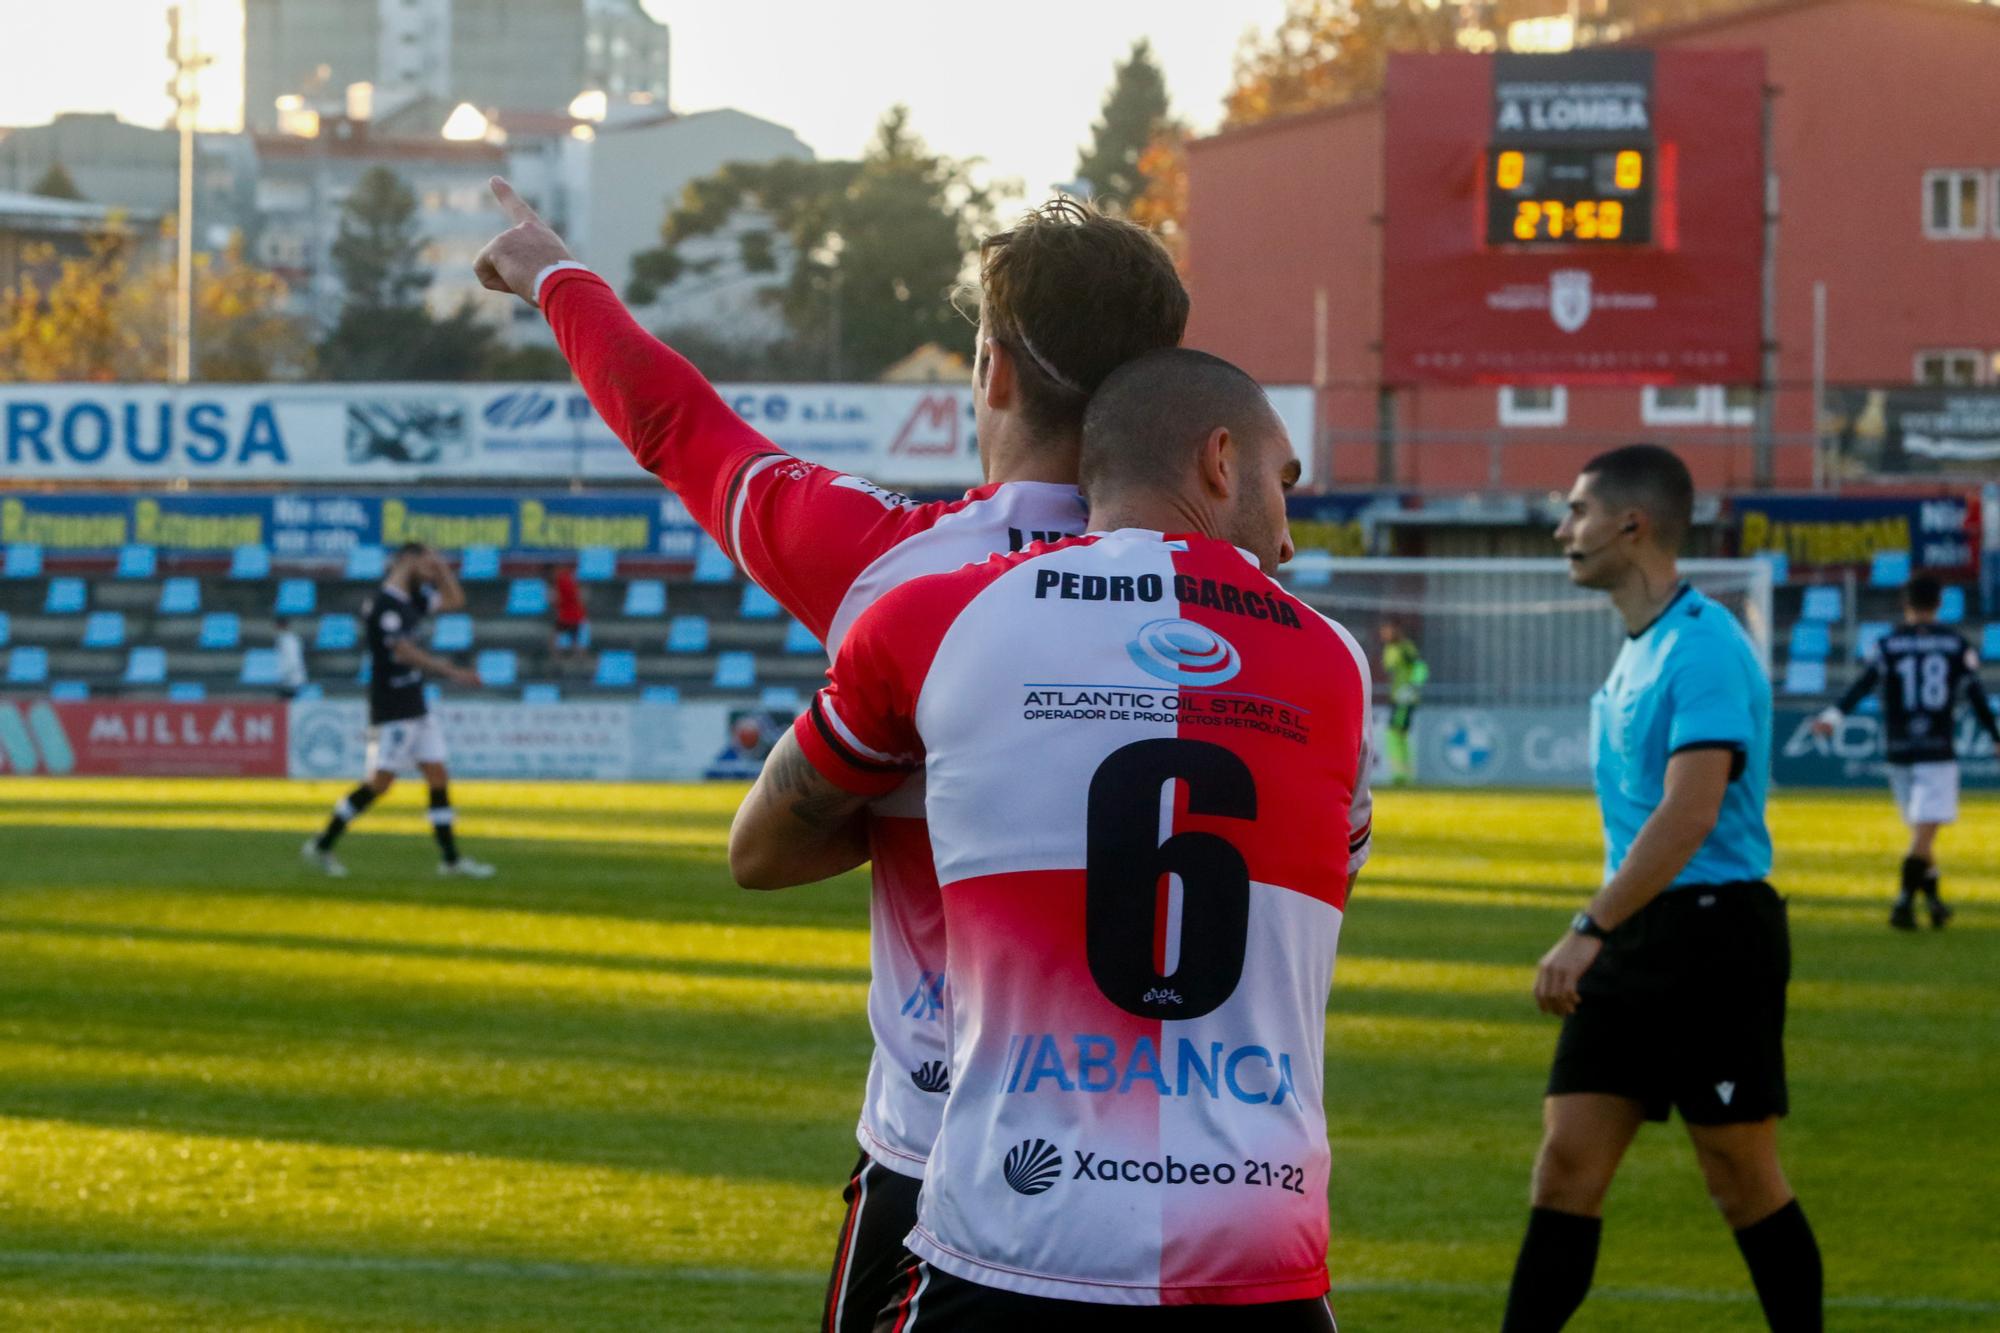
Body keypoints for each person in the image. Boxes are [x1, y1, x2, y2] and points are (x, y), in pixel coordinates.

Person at [473, 177, 1190, 1331]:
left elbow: (677, 428)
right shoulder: (1246, 608)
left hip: (949, 1145)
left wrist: (552, 271)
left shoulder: (893, 569)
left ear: (991, 371)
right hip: (1198, 1160)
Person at [730, 349, 1373, 1329]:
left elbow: (760, 853)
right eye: (1281, 488)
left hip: (1014, 1233)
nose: (1285, 540)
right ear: (1217, 460)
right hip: (1253, 1240)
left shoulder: (935, 618)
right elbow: (1320, 890)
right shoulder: (1334, 664)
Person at [1503, 445, 1820, 1333]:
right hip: (1635, 932)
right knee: (1567, 1164)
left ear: (1631, 524)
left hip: (1715, 936)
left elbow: (1689, 814)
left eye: (1576, 512)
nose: (1564, 531)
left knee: (1739, 1175)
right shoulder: (1636, 652)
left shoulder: (1705, 644)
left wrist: (1586, 927)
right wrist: (1606, 926)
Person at [1811, 574, 1997, 929]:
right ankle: (1903, 903)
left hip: (1899, 750)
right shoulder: (1956, 645)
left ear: (1905, 603)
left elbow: (1863, 684)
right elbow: (1975, 694)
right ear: (1940, 603)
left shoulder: (1887, 644)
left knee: (1920, 835)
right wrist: (1994, 734)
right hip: (1937, 750)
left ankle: (1936, 904)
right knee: (1922, 836)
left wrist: (1833, 716)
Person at [302, 542, 495, 880]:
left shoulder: (413, 600)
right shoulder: (382, 604)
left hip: (416, 701)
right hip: (392, 706)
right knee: (379, 784)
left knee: (437, 775)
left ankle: (450, 861)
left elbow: (455, 601)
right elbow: (404, 652)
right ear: (407, 560)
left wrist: (443, 569)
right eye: (427, 559)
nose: (432, 567)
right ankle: (322, 844)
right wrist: (452, 672)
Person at [1379, 620, 1428, 785]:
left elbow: (1420, 667)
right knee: (1397, 733)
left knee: (1396, 732)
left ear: (1396, 630)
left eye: (1388, 629)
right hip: (1396, 697)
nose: (1384, 633)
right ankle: (1401, 774)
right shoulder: (1389, 649)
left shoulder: (1405, 648)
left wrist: (1413, 686)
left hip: (1405, 699)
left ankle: (1403, 774)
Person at [547, 560, 591, 673]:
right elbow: (581, 596)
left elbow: (555, 599)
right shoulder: (571, 579)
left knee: (554, 639)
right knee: (575, 641)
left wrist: (552, 599)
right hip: (576, 616)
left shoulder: (560, 580)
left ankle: (557, 663)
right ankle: (581, 664)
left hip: (566, 616)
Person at [273, 616, 308, 699]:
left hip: (292, 680)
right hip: (287, 679)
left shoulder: (289, 641)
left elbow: (293, 661)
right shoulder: (283, 639)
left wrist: (282, 675)